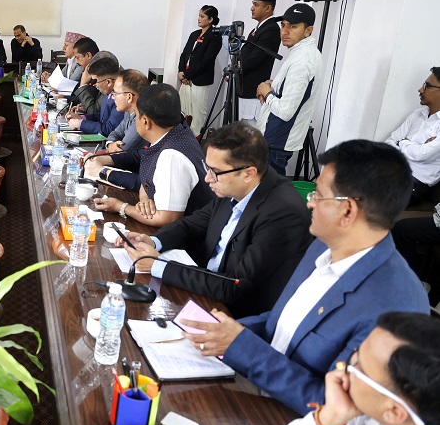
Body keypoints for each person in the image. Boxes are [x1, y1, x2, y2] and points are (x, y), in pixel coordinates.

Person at [177, 140, 430, 415]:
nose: (309, 203)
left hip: (292, 422)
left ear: (347, 211)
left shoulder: (395, 305)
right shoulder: (324, 244)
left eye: (317, 195)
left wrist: (240, 346)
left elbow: (335, 408)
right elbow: (286, 321)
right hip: (257, 386)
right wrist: (221, 331)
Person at [118, 123, 313, 318]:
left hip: (236, 315)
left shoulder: (283, 213)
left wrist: (157, 265)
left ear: (248, 173)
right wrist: (153, 241)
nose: (207, 178)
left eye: (215, 171)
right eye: (207, 168)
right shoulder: (233, 183)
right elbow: (191, 224)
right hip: (205, 288)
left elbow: (235, 285)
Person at [273, 312, 440, 425]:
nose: (345, 367)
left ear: (394, 412)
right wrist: (330, 417)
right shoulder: (369, 419)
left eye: (359, 366)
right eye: (356, 353)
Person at [89, 84, 213, 227]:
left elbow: (168, 218)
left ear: (146, 122)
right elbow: (146, 180)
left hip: (191, 236)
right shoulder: (176, 132)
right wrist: (145, 200)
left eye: (137, 116)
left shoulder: (172, 156)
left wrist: (120, 207)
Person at [256, 3, 323, 175]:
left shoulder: (302, 61)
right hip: (277, 137)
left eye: (293, 27)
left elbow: (286, 111)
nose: (285, 31)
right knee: (268, 187)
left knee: (270, 189)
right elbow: (297, 89)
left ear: (308, 30)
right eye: (283, 25)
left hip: (277, 139)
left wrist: (266, 92)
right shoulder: (304, 52)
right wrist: (274, 85)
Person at [385, 67, 440, 205]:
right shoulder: (417, 114)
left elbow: (422, 154)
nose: (420, 90)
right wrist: (414, 146)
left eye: (427, 86)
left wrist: (401, 142)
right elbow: (389, 142)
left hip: (414, 183)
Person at [238, 0, 282, 125]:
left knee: (249, 132)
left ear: (268, 8)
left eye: (256, 5)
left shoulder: (271, 29)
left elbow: (254, 59)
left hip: (253, 92)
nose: (252, 8)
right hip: (244, 89)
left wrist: (236, 70)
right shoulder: (259, 28)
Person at [178, 5, 221, 134]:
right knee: (182, 109)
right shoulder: (194, 34)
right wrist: (181, 72)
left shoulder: (215, 36)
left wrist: (187, 74)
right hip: (186, 79)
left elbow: (206, 61)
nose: (199, 19)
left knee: (198, 113)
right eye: (199, 15)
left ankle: (197, 139)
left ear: (210, 19)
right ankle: (182, 135)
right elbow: (184, 55)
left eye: (202, 16)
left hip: (199, 80)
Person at [67, 56, 124, 136]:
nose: (94, 85)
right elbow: (102, 117)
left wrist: (80, 124)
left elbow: (109, 129)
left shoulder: (120, 98)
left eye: (96, 81)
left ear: (108, 82)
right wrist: (81, 118)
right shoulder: (107, 92)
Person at [104, 69, 149, 152]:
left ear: (129, 97)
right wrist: (110, 144)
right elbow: (115, 133)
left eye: (116, 93)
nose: (113, 97)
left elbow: (121, 150)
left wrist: (113, 147)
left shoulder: (142, 119)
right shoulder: (128, 112)